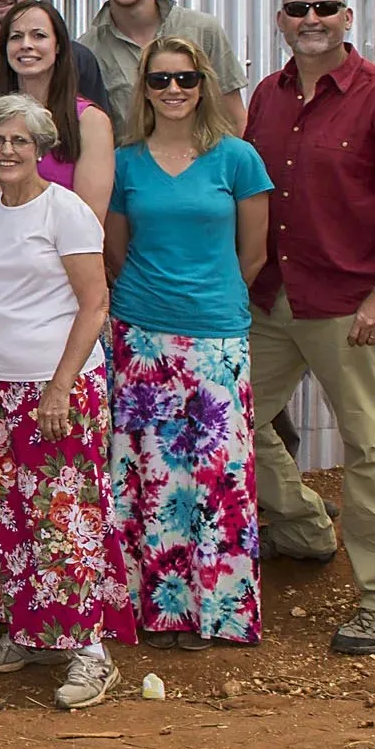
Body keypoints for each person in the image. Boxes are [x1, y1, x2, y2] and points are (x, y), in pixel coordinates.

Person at [244, 0, 375, 655]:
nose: (312, 19)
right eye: (299, 9)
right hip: (272, 300)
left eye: (324, 7)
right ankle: (302, 525)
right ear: (281, 20)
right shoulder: (267, 98)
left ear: (347, 15)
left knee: (372, 448)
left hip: (354, 303)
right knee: (227, 422)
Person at [105, 39, 274, 649]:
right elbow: (115, 250)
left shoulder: (238, 158)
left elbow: (253, 254)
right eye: (159, 80)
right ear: (144, 88)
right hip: (141, 335)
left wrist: (208, 298)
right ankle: (152, 609)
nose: (173, 90)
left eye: (185, 78)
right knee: (148, 472)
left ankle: (214, 611)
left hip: (215, 335)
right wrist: (154, 301)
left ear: (203, 84)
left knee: (214, 471)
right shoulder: (125, 163)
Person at [0, 95, 125, 710]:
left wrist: (60, 384)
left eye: (20, 141)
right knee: (9, 517)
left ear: (41, 148)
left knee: (67, 519)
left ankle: (90, 652)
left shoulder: (68, 212)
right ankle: (30, 632)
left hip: (60, 388)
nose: (7, 151)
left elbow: (94, 303)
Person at [82, 0, 250, 137]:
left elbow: (234, 117)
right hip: (128, 167)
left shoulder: (203, 30)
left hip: (205, 164)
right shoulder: (88, 49)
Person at [0, 0, 114, 219]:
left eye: (39, 35)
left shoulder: (90, 121)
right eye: (16, 37)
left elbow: (89, 220)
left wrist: (5, 205)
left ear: (58, 46)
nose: (26, 44)